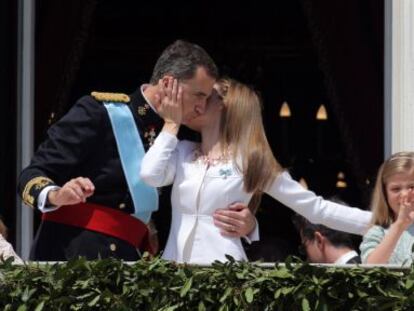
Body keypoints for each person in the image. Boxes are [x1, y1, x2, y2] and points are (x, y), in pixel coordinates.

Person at [17, 40, 256, 261]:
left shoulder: (183, 136)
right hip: (75, 258)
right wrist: (56, 195)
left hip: (134, 263)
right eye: (198, 96)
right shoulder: (100, 113)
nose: (202, 107)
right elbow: (30, 176)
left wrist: (248, 224)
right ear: (167, 84)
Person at [140, 77, 371, 264]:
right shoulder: (181, 150)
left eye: (205, 96)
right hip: (175, 273)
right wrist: (171, 124)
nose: (196, 103)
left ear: (225, 106)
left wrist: (385, 223)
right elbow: (150, 175)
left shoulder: (251, 161)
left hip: (223, 277)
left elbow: (315, 208)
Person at [360, 152, 414, 265]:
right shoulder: (378, 232)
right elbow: (371, 268)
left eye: (412, 187)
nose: (404, 194)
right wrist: (399, 225)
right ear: (385, 194)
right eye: (396, 189)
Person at [292, 213, 361, 264]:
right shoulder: (369, 264)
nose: (307, 259)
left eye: (303, 248)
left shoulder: (342, 280)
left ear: (319, 240)